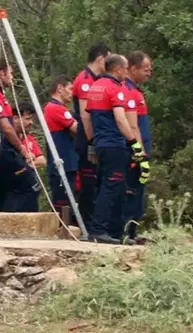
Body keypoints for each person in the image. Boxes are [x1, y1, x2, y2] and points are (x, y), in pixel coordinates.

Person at [86, 54, 145, 244]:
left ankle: (112, 231)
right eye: (126, 68)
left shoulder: (95, 86)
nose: (126, 72)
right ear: (119, 69)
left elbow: (88, 117)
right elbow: (121, 119)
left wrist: (92, 140)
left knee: (107, 185)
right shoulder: (115, 88)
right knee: (112, 187)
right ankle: (99, 229)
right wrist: (134, 143)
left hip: (101, 143)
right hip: (114, 143)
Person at [0, 58, 40, 211]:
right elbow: (6, 128)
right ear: (1, 73)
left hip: (4, 150)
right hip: (3, 150)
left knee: (5, 191)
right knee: (30, 184)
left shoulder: (0, 95)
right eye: (10, 73)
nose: (12, 77)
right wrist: (22, 150)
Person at [72, 42, 111, 229]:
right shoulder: (85, 80)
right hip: (88, 139)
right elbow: (85, 115)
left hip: (98, 137)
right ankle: (87, 224)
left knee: (97, 182)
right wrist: (92, 141)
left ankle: (95, 222)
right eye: (108, 59)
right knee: (88, 183)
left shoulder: (98, 79)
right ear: (100, 59)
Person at [122, 51, 153, 244]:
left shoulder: (136, 91)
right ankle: (125, 232)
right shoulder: (127, 91)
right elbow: (132, 126)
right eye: (146, 69)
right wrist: (139, 153)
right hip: (134, 153)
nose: (149, 73)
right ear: (133, 68)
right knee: (130, 191)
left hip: (143, 151)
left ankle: (133, 231)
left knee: (139, 191)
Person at [43, 75, 79, 222]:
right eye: (70, 89)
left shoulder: (60, 109)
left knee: (69, 198)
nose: (72, 92)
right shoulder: (55, 108)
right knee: (63, 200)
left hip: (66, 160)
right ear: (59, 88)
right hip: (62, 160)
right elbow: (76, 129)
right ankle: (61, 229)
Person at [0, 101, 46, 212]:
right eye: (27, 119)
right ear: (15, 118)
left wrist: (26, 164)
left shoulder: (28, 137)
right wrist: (25, 162)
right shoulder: (6, 138)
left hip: (23, 178)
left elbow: (42, 160)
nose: (31, 122)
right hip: (10, 184)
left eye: (31, 119)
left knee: (34, 187)